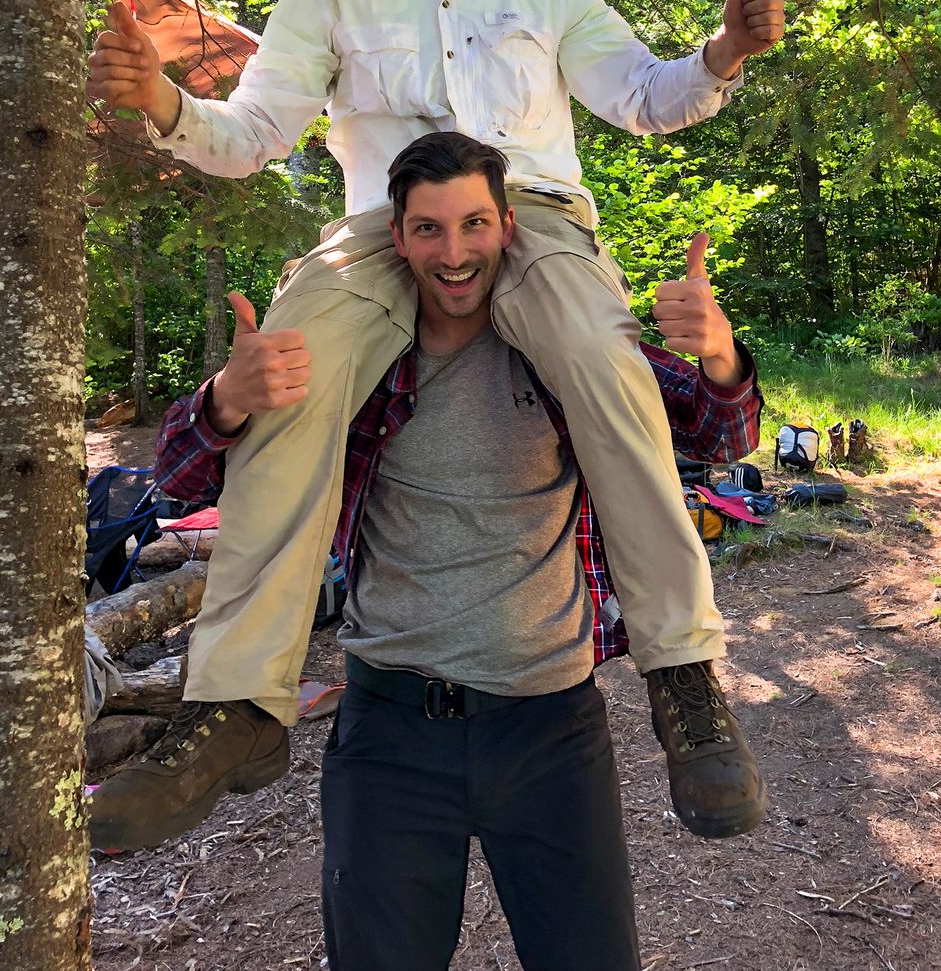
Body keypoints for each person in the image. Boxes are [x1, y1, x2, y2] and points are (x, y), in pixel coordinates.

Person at [85, 0, 784, 846]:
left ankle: (684, 674)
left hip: (530, 216)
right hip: (385, 226)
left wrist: (724, 51)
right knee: (288, 374)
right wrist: (161, 100)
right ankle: (238, 703)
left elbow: (645, 96)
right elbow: (250, 135)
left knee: (605, 362)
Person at [91, 133, 766, 970]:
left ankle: (684, 679)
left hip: (549, 728)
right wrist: (227, 398)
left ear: (509, 227)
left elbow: (718, 433)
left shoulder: (567, 355)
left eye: (474, 224)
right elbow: (180, 481)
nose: (453, 253)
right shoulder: (361, 365)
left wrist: (719, 351)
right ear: (396, 237)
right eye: (428, 229)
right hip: (391, 730)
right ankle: (236, 707)